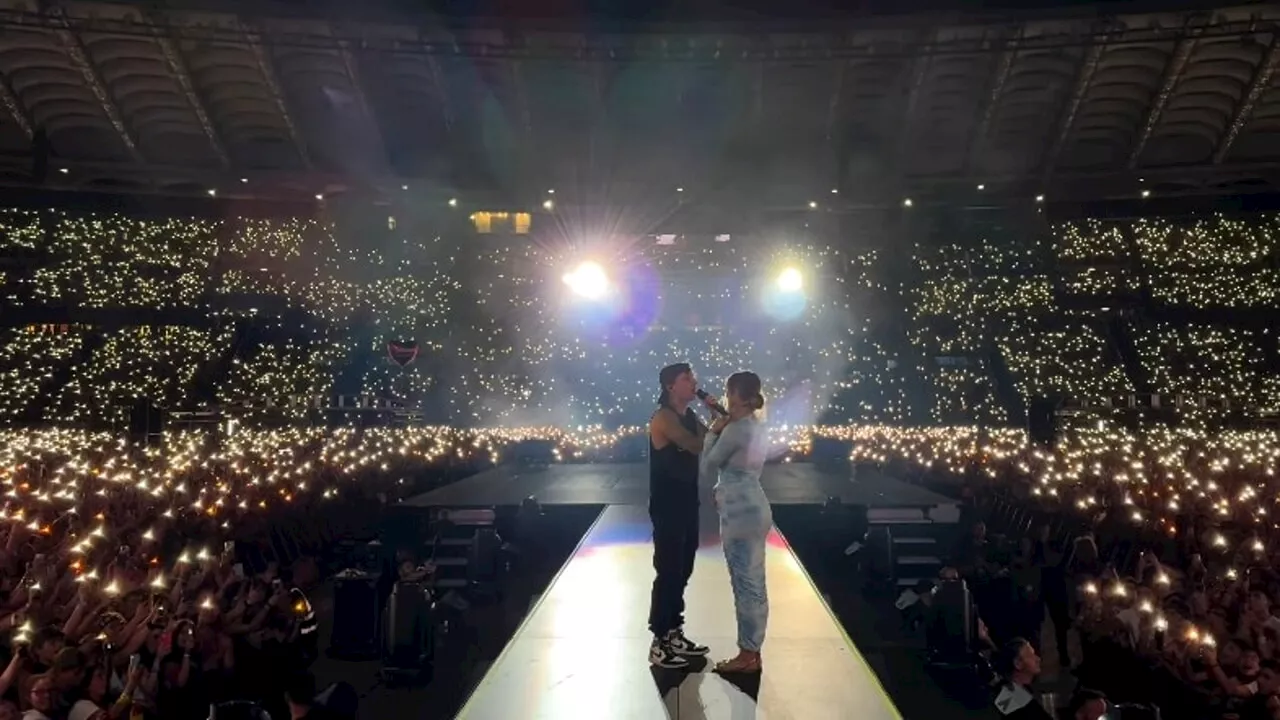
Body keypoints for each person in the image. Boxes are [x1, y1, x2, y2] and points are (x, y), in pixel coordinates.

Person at [701, 371, 771, 674]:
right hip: (754, 504)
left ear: (739, 397)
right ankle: (752, 651)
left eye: (728, 392)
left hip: (739, 511)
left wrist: (713, 431)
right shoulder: (755, 425)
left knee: (745, 583)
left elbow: (708, 465)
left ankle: (747, 655)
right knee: (755, 582)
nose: (725, 397)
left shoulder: (734, 430)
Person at [647, 363, 714, 669]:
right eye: (687, 379)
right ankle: (659, 640)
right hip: (667, 503)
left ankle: (675, 631)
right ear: (670, 386)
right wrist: (717, 430)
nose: (694, 383)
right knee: (669, 568)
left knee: (684, 566)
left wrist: (716, 413)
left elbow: (712, 438)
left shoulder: (689, 415)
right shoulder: (663, 417)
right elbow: (697, 444)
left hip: (687, 499)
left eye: (693, 378)